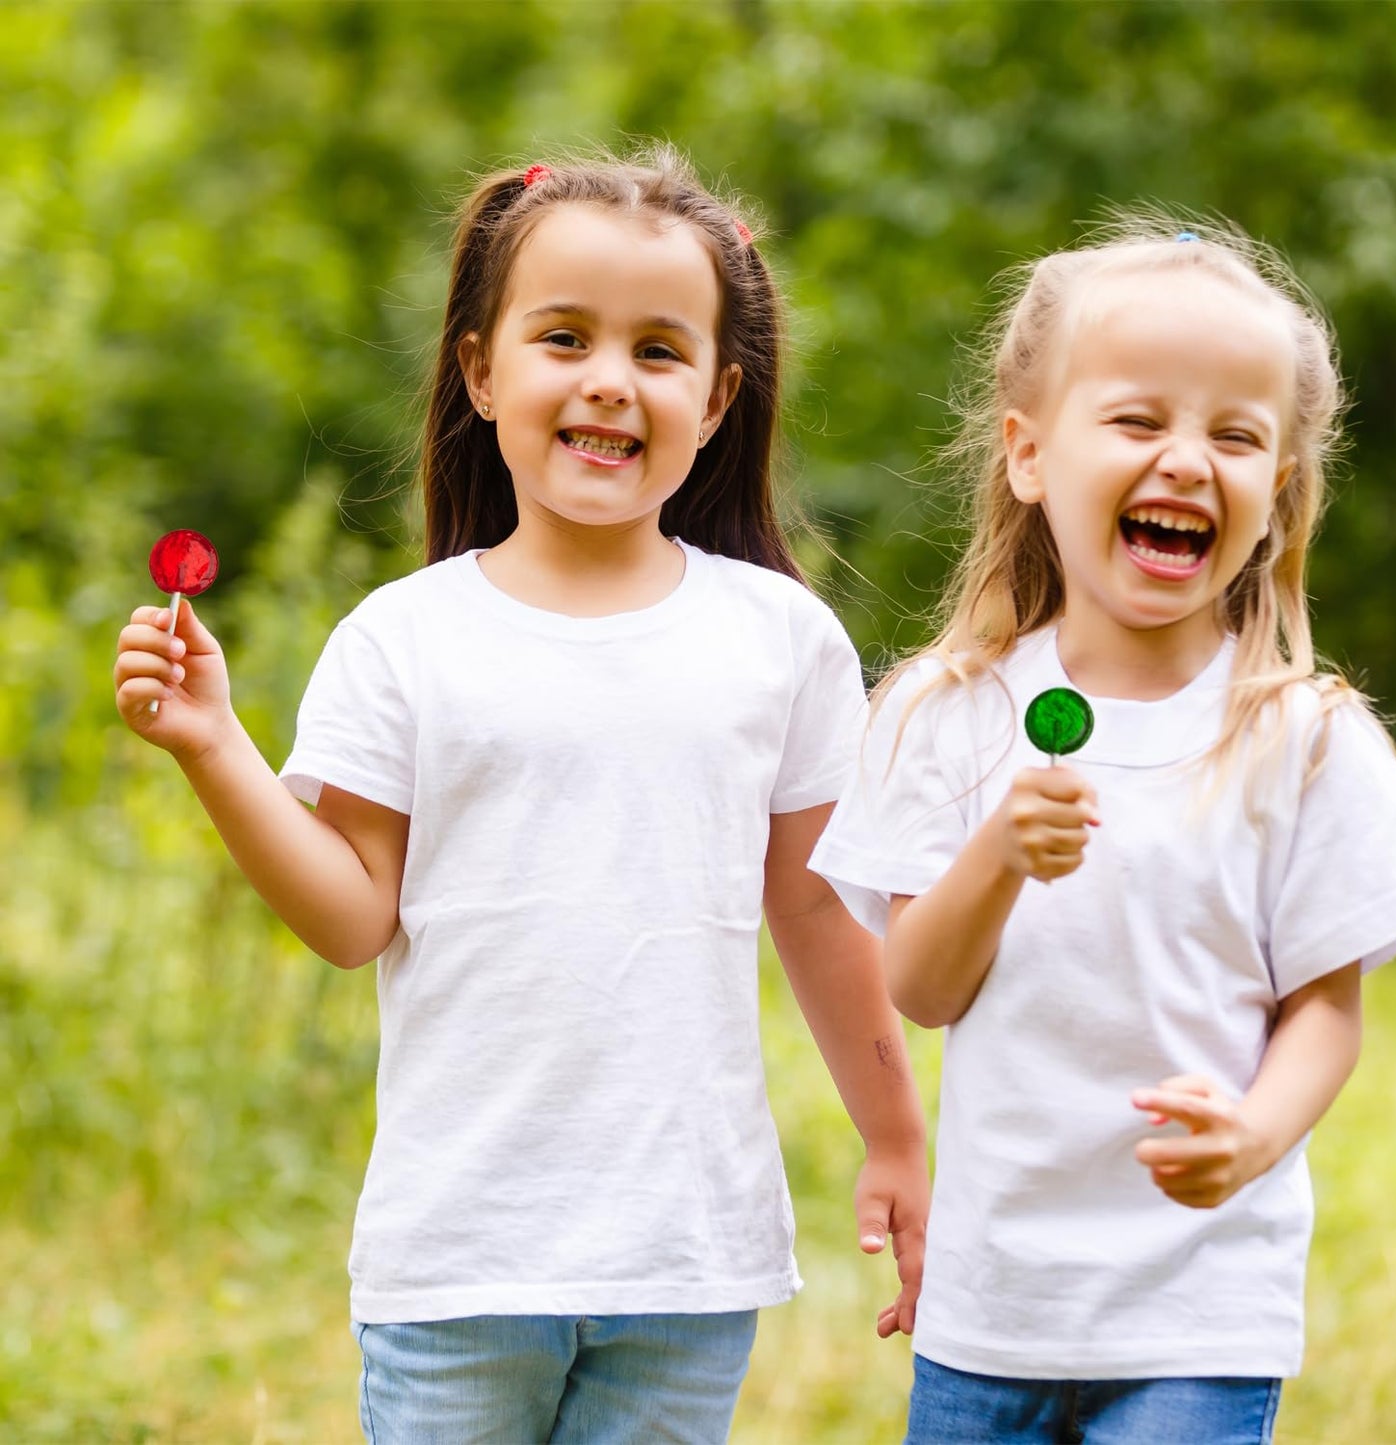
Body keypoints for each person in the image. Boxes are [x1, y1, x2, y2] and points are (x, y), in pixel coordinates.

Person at [115, 148, 929, 1445]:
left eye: (658, 351)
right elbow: (347, 917)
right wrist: (216, 746)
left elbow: (824, 917)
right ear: (484, 370)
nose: (609, 378)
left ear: (718, 398)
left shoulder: (781, 640)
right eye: (565, 338)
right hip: (461, 1257)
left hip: (685, 1254)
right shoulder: (402, 638)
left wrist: (895, 1135)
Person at [810, 217, 1396, 1444]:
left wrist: (1254, 1134)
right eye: (1138, 419)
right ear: (1030, 453)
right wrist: (996, 853)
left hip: (1195, 1308)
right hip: (993, 1308)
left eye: (1234, 435)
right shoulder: (947, 713)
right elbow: (921, 986)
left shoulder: (1302, 739)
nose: (1184, 460)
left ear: (1276, 495)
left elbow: (1324, 1010)